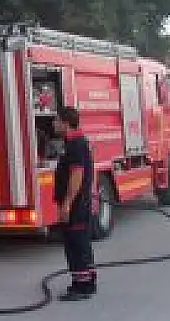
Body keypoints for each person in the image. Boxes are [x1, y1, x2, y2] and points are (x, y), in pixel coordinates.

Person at [53, 106, 96, 301]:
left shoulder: (76, 145)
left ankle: (83, 287)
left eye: (56, 120)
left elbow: (76, 175)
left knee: (76, 243)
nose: (53, 123)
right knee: (79, 242)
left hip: (76, 205)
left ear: (65, 123)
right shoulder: (73, 142)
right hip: (78, 203)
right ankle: (84, 281)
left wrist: (67, 203)